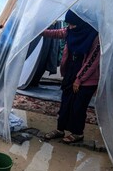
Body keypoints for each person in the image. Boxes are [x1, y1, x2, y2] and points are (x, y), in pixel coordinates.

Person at [41, 10, 100, 144]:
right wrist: (40, 32)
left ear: (81, 23)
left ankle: (77, 133)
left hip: (87, 79)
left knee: (78, 106)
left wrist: (79, 79)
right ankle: (60, 129)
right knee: (65, 103)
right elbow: (57, 33)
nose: (70, 27)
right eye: (69, 25)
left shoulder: (94, 36)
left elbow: (92, 61)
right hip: (71, 73)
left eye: (73, 25)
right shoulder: (71, 31)